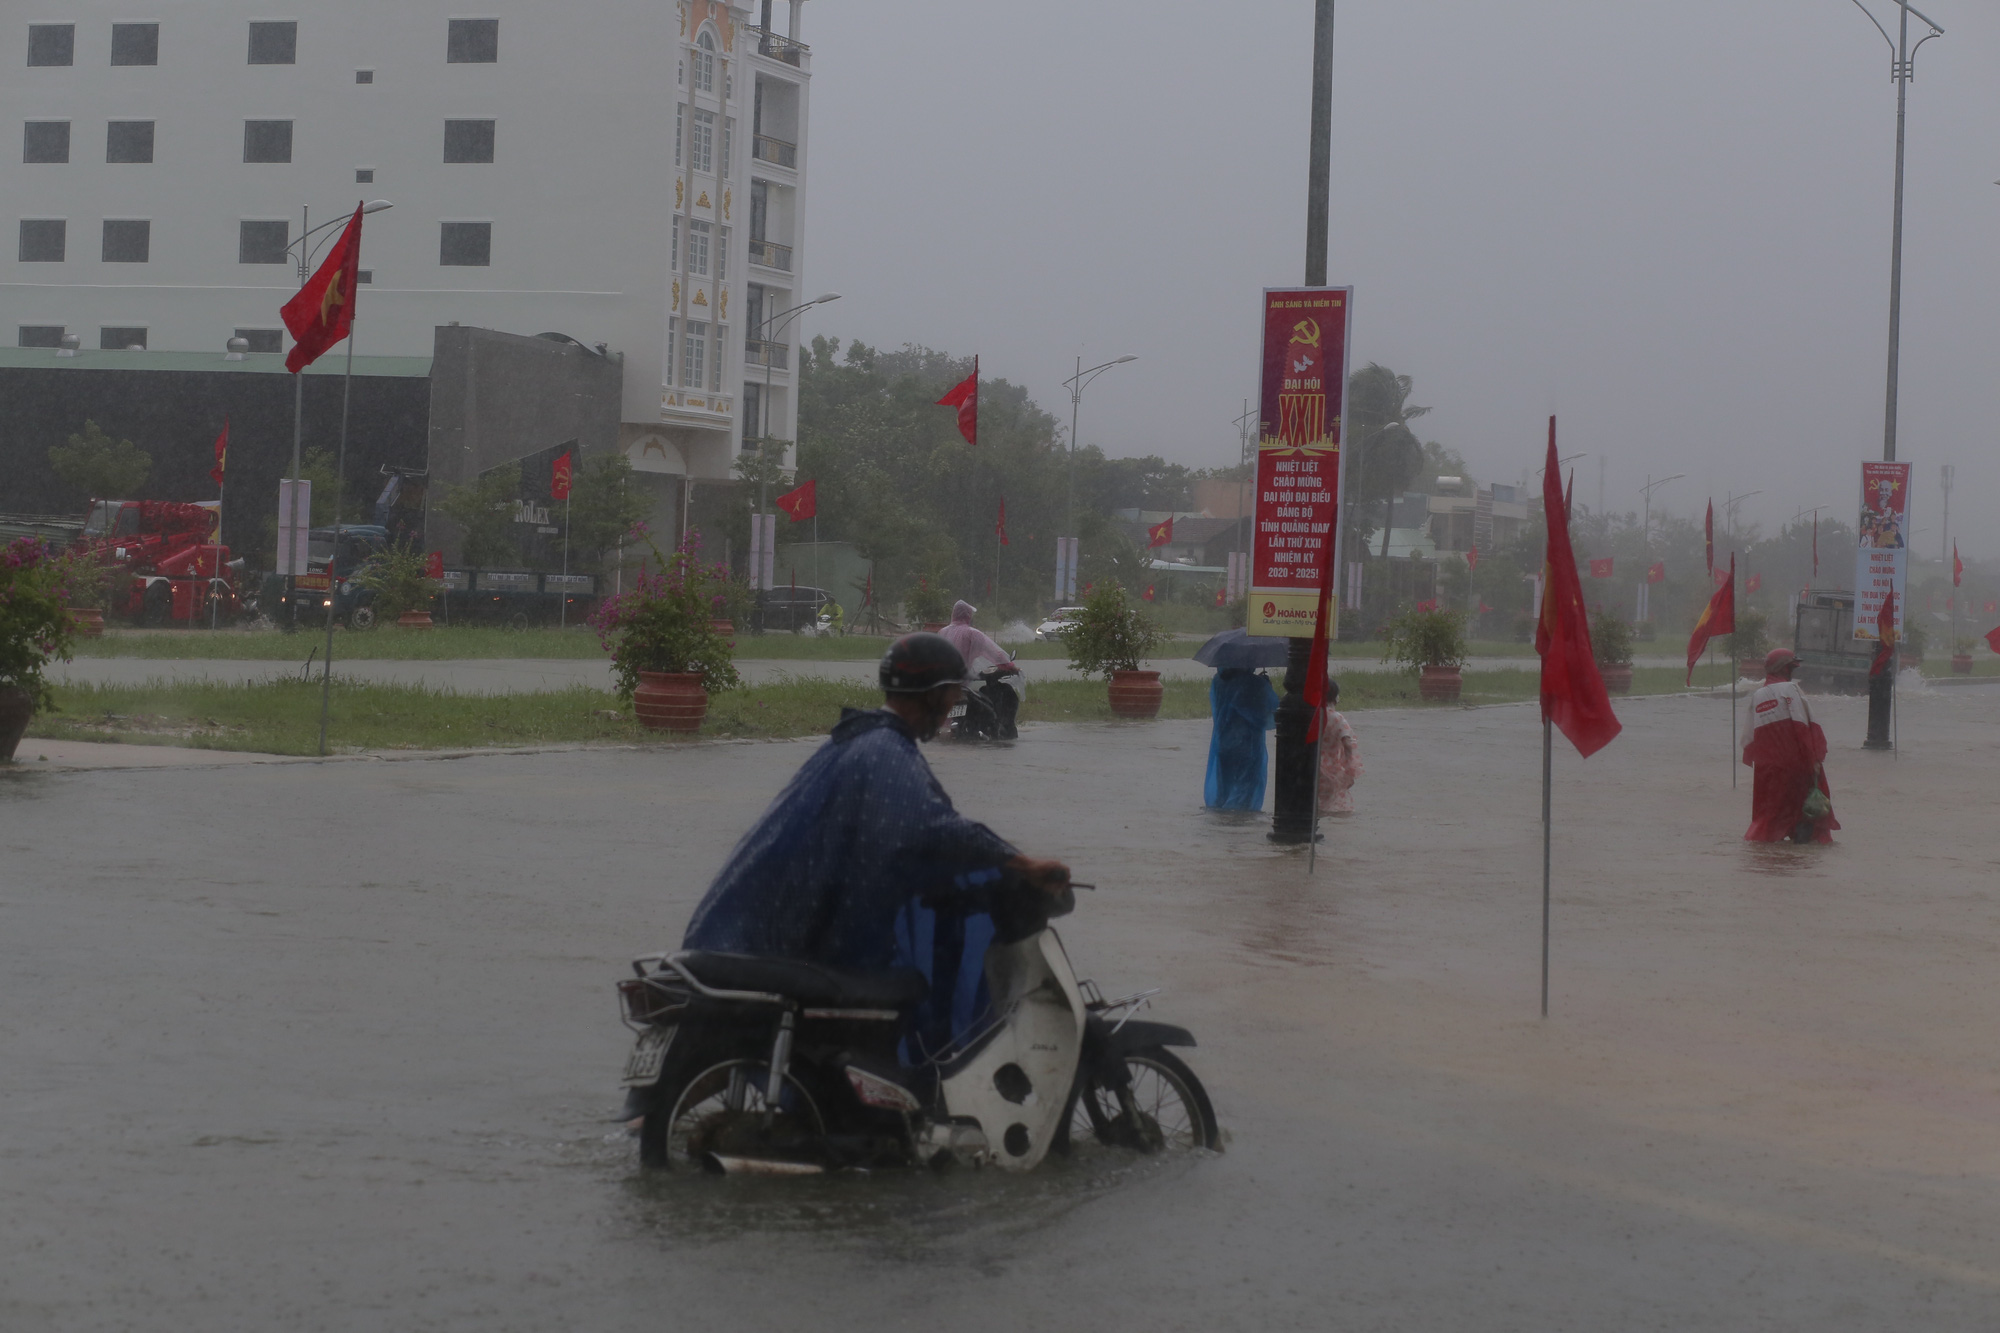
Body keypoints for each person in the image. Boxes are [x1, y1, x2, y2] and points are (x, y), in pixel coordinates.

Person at [681, 632, 1069, 973]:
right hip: (772, 938)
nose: (954, 704)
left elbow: (890, 839)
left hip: (751, 928)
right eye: (952, 693)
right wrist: (1022, 864)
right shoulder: (884, 750)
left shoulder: (859, 740)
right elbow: (935, 828)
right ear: (932, 695)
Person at [1741, 647, 1838, 844]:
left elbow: (1748, 740)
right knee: (1805, 811)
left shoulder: (1757, 696)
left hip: (1766, 769)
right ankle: (1800, 851)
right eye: (1792, 668)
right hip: (1795, 764)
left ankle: (1761, 851)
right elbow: (1804, 726)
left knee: (1768, 815)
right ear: (1785, 669)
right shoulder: (1790, 690)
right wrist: (1814, 759)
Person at [938, 599, 1021, 739]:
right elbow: (995, 652)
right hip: (961, 684)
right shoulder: (972, 633)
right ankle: (993, 729)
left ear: (953, 614)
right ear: (968, 616)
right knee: (986, 707)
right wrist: (1011, 667)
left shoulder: (942, 632)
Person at [1204, 667, 1279, 810]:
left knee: (1223, 791)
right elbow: (1265, 716)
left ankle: (1221, 826)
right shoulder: (1253, 683)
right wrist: (1266, 688)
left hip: (1223, 744)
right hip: (1246, 746)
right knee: (1244, 796)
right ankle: (1239, 827)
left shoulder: (1218, 681)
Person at [1315, 679, 1363, 816]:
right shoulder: (1337, 718)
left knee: (1315, 809)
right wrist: (1350, 771)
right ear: (1335, 698)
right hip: (1332, 772)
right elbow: (1348, 744)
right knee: (1335, 811)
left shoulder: (1312, 716)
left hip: (1311, 769)